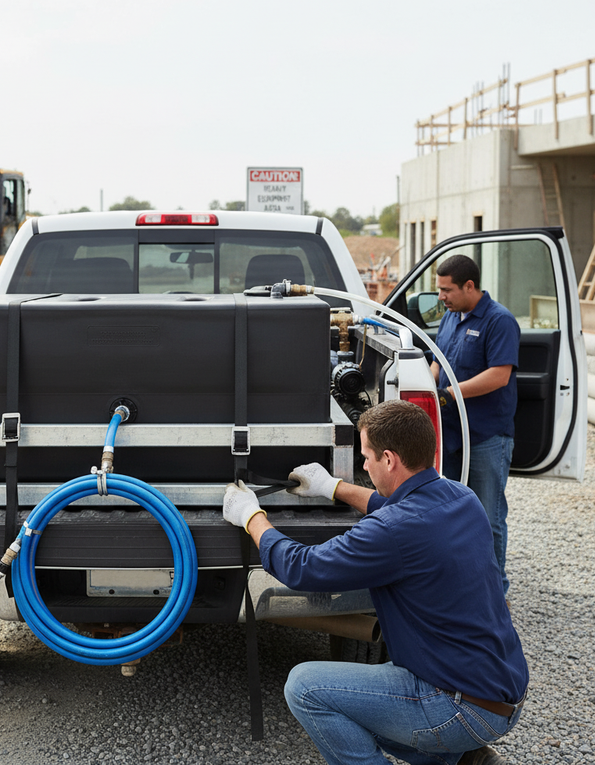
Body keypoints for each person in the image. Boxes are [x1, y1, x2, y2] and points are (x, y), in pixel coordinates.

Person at [223, 400, 528, 765]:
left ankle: (457, 745)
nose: (363, 466)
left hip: (459, 706)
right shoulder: (461, 498)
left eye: (366, 457)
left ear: (389, 459)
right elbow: (392, 506)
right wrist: (333, 487)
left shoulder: (392, 532)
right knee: (357, 698)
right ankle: (465, 761)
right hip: (501, 695)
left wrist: (251, 516)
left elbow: (303, 568)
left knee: (307, 688)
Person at [432, 254, 520, 596]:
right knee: (451, 515)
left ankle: (494, 595)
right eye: (439, 290)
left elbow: (499, 375)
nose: (441, 297)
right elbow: (437, 361)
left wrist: (449, 394)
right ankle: (459, 587)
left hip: (485, 438)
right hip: (452, 437)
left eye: (446, 289)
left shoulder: (500, 321)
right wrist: (428, 386)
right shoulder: (451, 318)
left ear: (470, 286)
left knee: (487, 519)